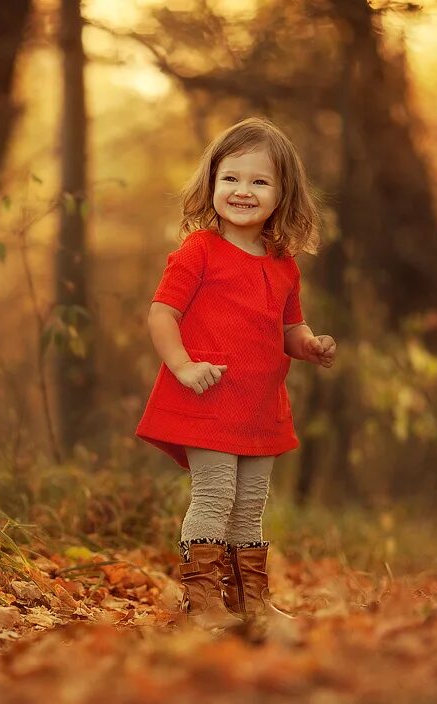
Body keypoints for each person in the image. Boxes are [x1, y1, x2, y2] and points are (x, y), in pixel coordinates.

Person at [135, 117, 337, 631]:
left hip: (259, 404)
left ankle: (250, 600)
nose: (242, 191)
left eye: (259, 181)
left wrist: (309, 345)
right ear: (211, 183)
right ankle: (202, 601)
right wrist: (183, 366)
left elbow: (290, 326)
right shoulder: (199, 251)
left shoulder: (283, 263)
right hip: (208, 394)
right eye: (231, 178)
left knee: (250, 505)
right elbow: (163, 314)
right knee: (214, 494)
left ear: (282, 194)